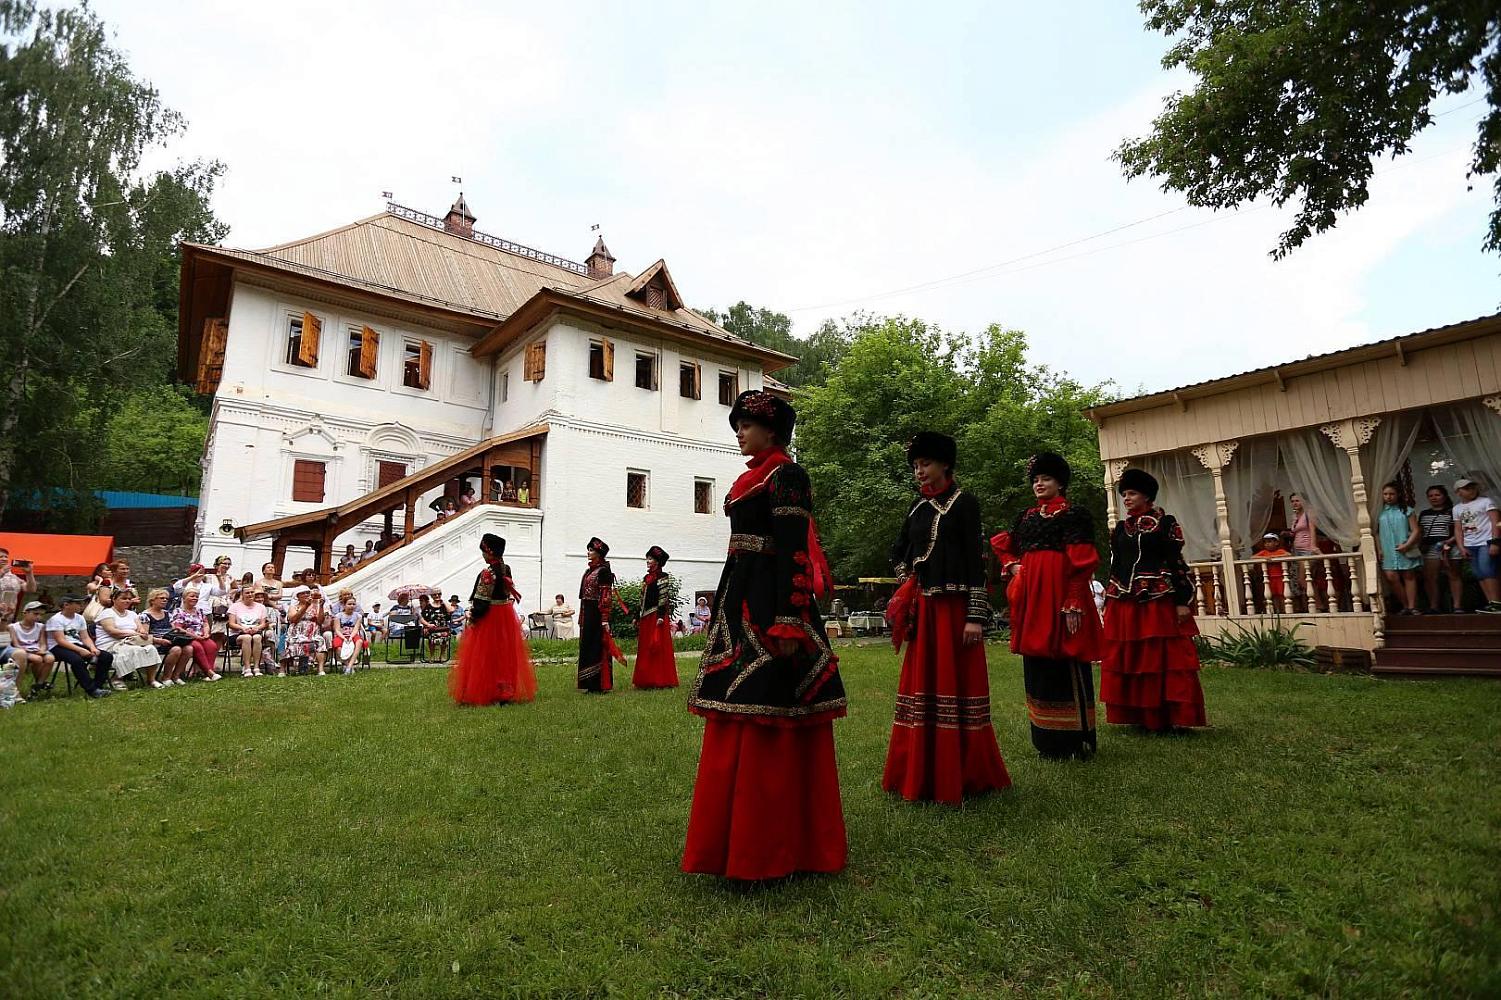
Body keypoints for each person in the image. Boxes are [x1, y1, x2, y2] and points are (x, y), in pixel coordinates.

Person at [683, 389, 847, 880]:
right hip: (738, 595)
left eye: (747, 424)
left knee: (771, 706)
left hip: (771, 604)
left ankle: (774, 843)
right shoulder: (744, 479)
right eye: (737, 424)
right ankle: (730, 840)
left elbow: (795, 550)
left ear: (772, 431)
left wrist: (791, 619)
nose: (739, 431)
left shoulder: (787, 475)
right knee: (735, 707)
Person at [882, 431, 1010, 804]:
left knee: (958, 685)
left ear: (945, 465)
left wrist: (975, 616)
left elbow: (976, 560)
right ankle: (919, 770)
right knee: (922, 686)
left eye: (926, 464)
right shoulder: (916, 508)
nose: (920, 472)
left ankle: (964, 773)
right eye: (916, 466)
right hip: (925, 610)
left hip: (956, 611)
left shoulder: (965, 504)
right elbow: (898, 552)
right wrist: (908, 585)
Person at [991, 452, 1103, 761]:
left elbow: (1081, 564)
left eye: (1046, 479)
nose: (1039, 484)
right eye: (1036, 480)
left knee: (1067, 657)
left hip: (1061, 596)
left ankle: (1077, 739)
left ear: (1060, 483)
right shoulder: (1026, 517)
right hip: (1032, 597)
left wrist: (1074, 600)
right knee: (1037, 663)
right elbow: (1004, 546)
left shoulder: (1073, 514)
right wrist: (1013, 566)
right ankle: (1047, 740)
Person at [1100, 469, 1207, 733]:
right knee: (1132, 658)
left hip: (1157, 598)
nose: (1126, 498)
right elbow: (1116, 565)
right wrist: (1108, 595)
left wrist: (1183, 600)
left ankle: (1168, 716)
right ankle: (1137, 715)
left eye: (1132, 493)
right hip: (1125, 600)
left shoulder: (1165, 523)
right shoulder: (1121, 529)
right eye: (1124, 494)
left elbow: (1176, 562)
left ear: (1147, 496)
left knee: (1160, 658)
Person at [449, 534, 537, 706]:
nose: (482, 555)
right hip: (506, 614)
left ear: (489, 552)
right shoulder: (506, 569)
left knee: (486, 654)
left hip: (491, 616)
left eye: (484, 551)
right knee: (504, 653)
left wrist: (472, 616)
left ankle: (487, 690)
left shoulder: (487, 573)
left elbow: (481, 601)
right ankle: (505, 690)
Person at [95, 587, 162, 688]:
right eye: (124, 598)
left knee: (151, 648)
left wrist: (143, 633)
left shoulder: (132, 614)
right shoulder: (107, 613)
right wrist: (133, 634)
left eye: (129, 599)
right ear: (114, 599)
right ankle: (117, 678)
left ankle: (151, 680)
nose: (127, 601)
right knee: (131, 650)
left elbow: (140, 629)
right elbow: (112, 632)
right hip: (111, 644)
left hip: (132, 641)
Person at [46, 597, 113, 697]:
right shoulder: (55, 619)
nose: (80, 605)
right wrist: (80, 650)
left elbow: (85, 637)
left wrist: (92, 648)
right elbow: (61, 641)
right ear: (66, 605)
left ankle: (97, 685)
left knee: (106, 656)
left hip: (75, 644)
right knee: (77, 660)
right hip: (57, 647)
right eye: (77, 603)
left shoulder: (79, 618)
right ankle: (92, 690)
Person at [632, 545, 679, 689]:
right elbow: (641, 599)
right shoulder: (646, 578)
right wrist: (636, 616)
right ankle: (645, 679)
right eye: (648, 558)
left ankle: (660, 679)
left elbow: (663, 597)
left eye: (650, 559)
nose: (647, 561)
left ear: (657, 562)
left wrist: (660, 616)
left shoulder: (663, 577)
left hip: (657, 617)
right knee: (645, 647)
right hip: (646, 617)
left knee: (657, 647)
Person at [1453, 478, 1501, 613]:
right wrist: (1461, 547)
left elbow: (1495, 522)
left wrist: (1495, 541)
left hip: (1485, 541)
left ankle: (1497, 602)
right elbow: (1458, 529)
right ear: (1458, 492)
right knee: (1478, 573)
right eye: (1466, 488)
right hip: (1470, 544)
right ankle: (1491, 602)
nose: (1471, 490)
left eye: (1472, 487)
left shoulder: (1486, 502)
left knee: (1488, 570)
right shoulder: (1457, 508)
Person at [577, 538, 617, 692]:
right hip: (587, 612)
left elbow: (606, 596)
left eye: (591, 550)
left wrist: (605, 618)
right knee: (587, 646)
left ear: (599, 554)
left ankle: (598, 684)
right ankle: (587, 682)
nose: (588, 552)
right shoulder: (589, 571)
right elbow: (584, 596)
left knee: (597, 646)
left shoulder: (604, 571)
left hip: (597, 613)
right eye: (588, 550)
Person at [1376, 482, 1422, 615]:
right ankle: (1405, 605)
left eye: (1391, 494)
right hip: (1387, 549)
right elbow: (1376, 532)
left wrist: (1407, 545)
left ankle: (1412, 606)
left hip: (1404, 547)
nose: (1388, 497)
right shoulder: (1380, 512)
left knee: (1408, 575)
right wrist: (1379, 549)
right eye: (1385, 494)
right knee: (1391, 577)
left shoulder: (1407, 510)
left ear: (1398, 495)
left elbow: (1415, 530)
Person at [1418, 485, 1463, 614]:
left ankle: (1457, 606)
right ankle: (1433, 606)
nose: (1434, 498)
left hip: (1451, 546)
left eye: (1437, 495)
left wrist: (1449, 541)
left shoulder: (1452, 511)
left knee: (1454, 575)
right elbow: (1421, 532)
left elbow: (1459, 530)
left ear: (1444, 496)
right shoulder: (1424, 513)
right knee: (1431, 577)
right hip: (1431, 547)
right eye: (1431, 496)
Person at [171, 587, 223, 681]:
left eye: (196, 596)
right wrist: (195, 636)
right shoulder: (178, 612)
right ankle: (209, 672)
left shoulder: (199, 611)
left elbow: (205, 623)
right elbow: (178, 628)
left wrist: (206, 632)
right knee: (197, 646)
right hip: (187, 638)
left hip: (201, 636)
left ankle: (206, 673)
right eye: (192, 596)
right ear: (184, 598)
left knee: (212, 645)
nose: (195, 598)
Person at [142, 588, 191, 686]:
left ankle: (176, 676)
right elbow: (145, 636)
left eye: (166, 599)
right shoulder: (145, 615)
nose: (165, 600)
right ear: (152, 600)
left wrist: (179, 631)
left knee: (189, 649)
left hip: (169, 640)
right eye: (161, 598)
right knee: (176, 649)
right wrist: (159, 640)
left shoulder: (167, 614)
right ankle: (166, 677)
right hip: (155, 643)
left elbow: (172, 629)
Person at [12, 601, 58, 695]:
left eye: (41, 615)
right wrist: (28, 650)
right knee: (37, 659)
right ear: (25, 613)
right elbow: (15, 644)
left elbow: (43, 643)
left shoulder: (41, 626)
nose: (38, 617)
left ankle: (39, 684)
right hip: (23, 650)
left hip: (36, 649)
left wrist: (42, 649)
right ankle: (41, 684)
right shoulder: (13, 627)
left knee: (50, 658)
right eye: (35, 614)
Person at [228, 587, 269, 676]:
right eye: (247, 593)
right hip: (238, 634)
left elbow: (263, 624)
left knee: (257, 637)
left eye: (252, 592)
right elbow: (231, 624)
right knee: (247, 638)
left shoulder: (261, 607)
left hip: (255, 632)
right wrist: (242, 628)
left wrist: (257, 628)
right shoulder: (235, 606)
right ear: (242, 595)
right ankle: (247, 668)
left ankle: (257, 667)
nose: (250, 594)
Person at [285, 589, 327, 675]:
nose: (306, 595)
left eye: (307, 593)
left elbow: (320, 621)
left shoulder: (317, 606)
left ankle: (321, 669)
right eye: (303, 593)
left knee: (320, 641)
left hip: (313, 633)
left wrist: (321, 606)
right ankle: (293, 668)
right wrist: (305, 606)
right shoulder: (293, 607)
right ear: (297, 596)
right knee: (291, 641)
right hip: (296, 633)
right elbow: (293, 619)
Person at [1252, 532, 1293, 609]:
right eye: (1265, 542)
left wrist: (1275, 557)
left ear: (1276, 542)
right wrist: (1265, 558)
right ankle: (1277, 611)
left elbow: (1288, 555)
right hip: (1269, 577)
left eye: (1269, 542)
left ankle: (1285, 610)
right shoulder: (1264, 553)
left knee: (1282, 594)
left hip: (1281, 577)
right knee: (1273, 595)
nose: (1267, 544)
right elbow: (1253, 557)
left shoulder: (1280, 551)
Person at [0, 547, 37, 627]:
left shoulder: (13, 577)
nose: (4, 559)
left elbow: (31, 589)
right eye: (1, 557)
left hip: (7, 620)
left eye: (6, 557)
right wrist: (1, 572)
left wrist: (29, 573)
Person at [331, 597, 364, 674]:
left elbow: (356, 629)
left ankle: (349, 667)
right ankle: (347, 665)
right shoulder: (338, 616)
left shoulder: (358, 616)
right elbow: (337, 630)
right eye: (349, 604)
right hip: (341, 635)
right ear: (344, 605)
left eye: (353, 604)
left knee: (359, 641)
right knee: (338, 647)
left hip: (352, 634)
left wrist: (351, 637)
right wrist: (344, 638)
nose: (351, 606)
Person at [419, 592, 451, 660]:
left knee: (445, 635)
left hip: (443, 627)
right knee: (432, 636)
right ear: (431, 596)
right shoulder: (428, 606)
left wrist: (444, 602)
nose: (437, 596)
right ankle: (432, 655)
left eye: (439, 594)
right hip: (432, 628)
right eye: (435, 594)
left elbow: (451, 611)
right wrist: (427, 625)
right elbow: (421, 619)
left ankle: (442, 655)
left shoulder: (444, 606)